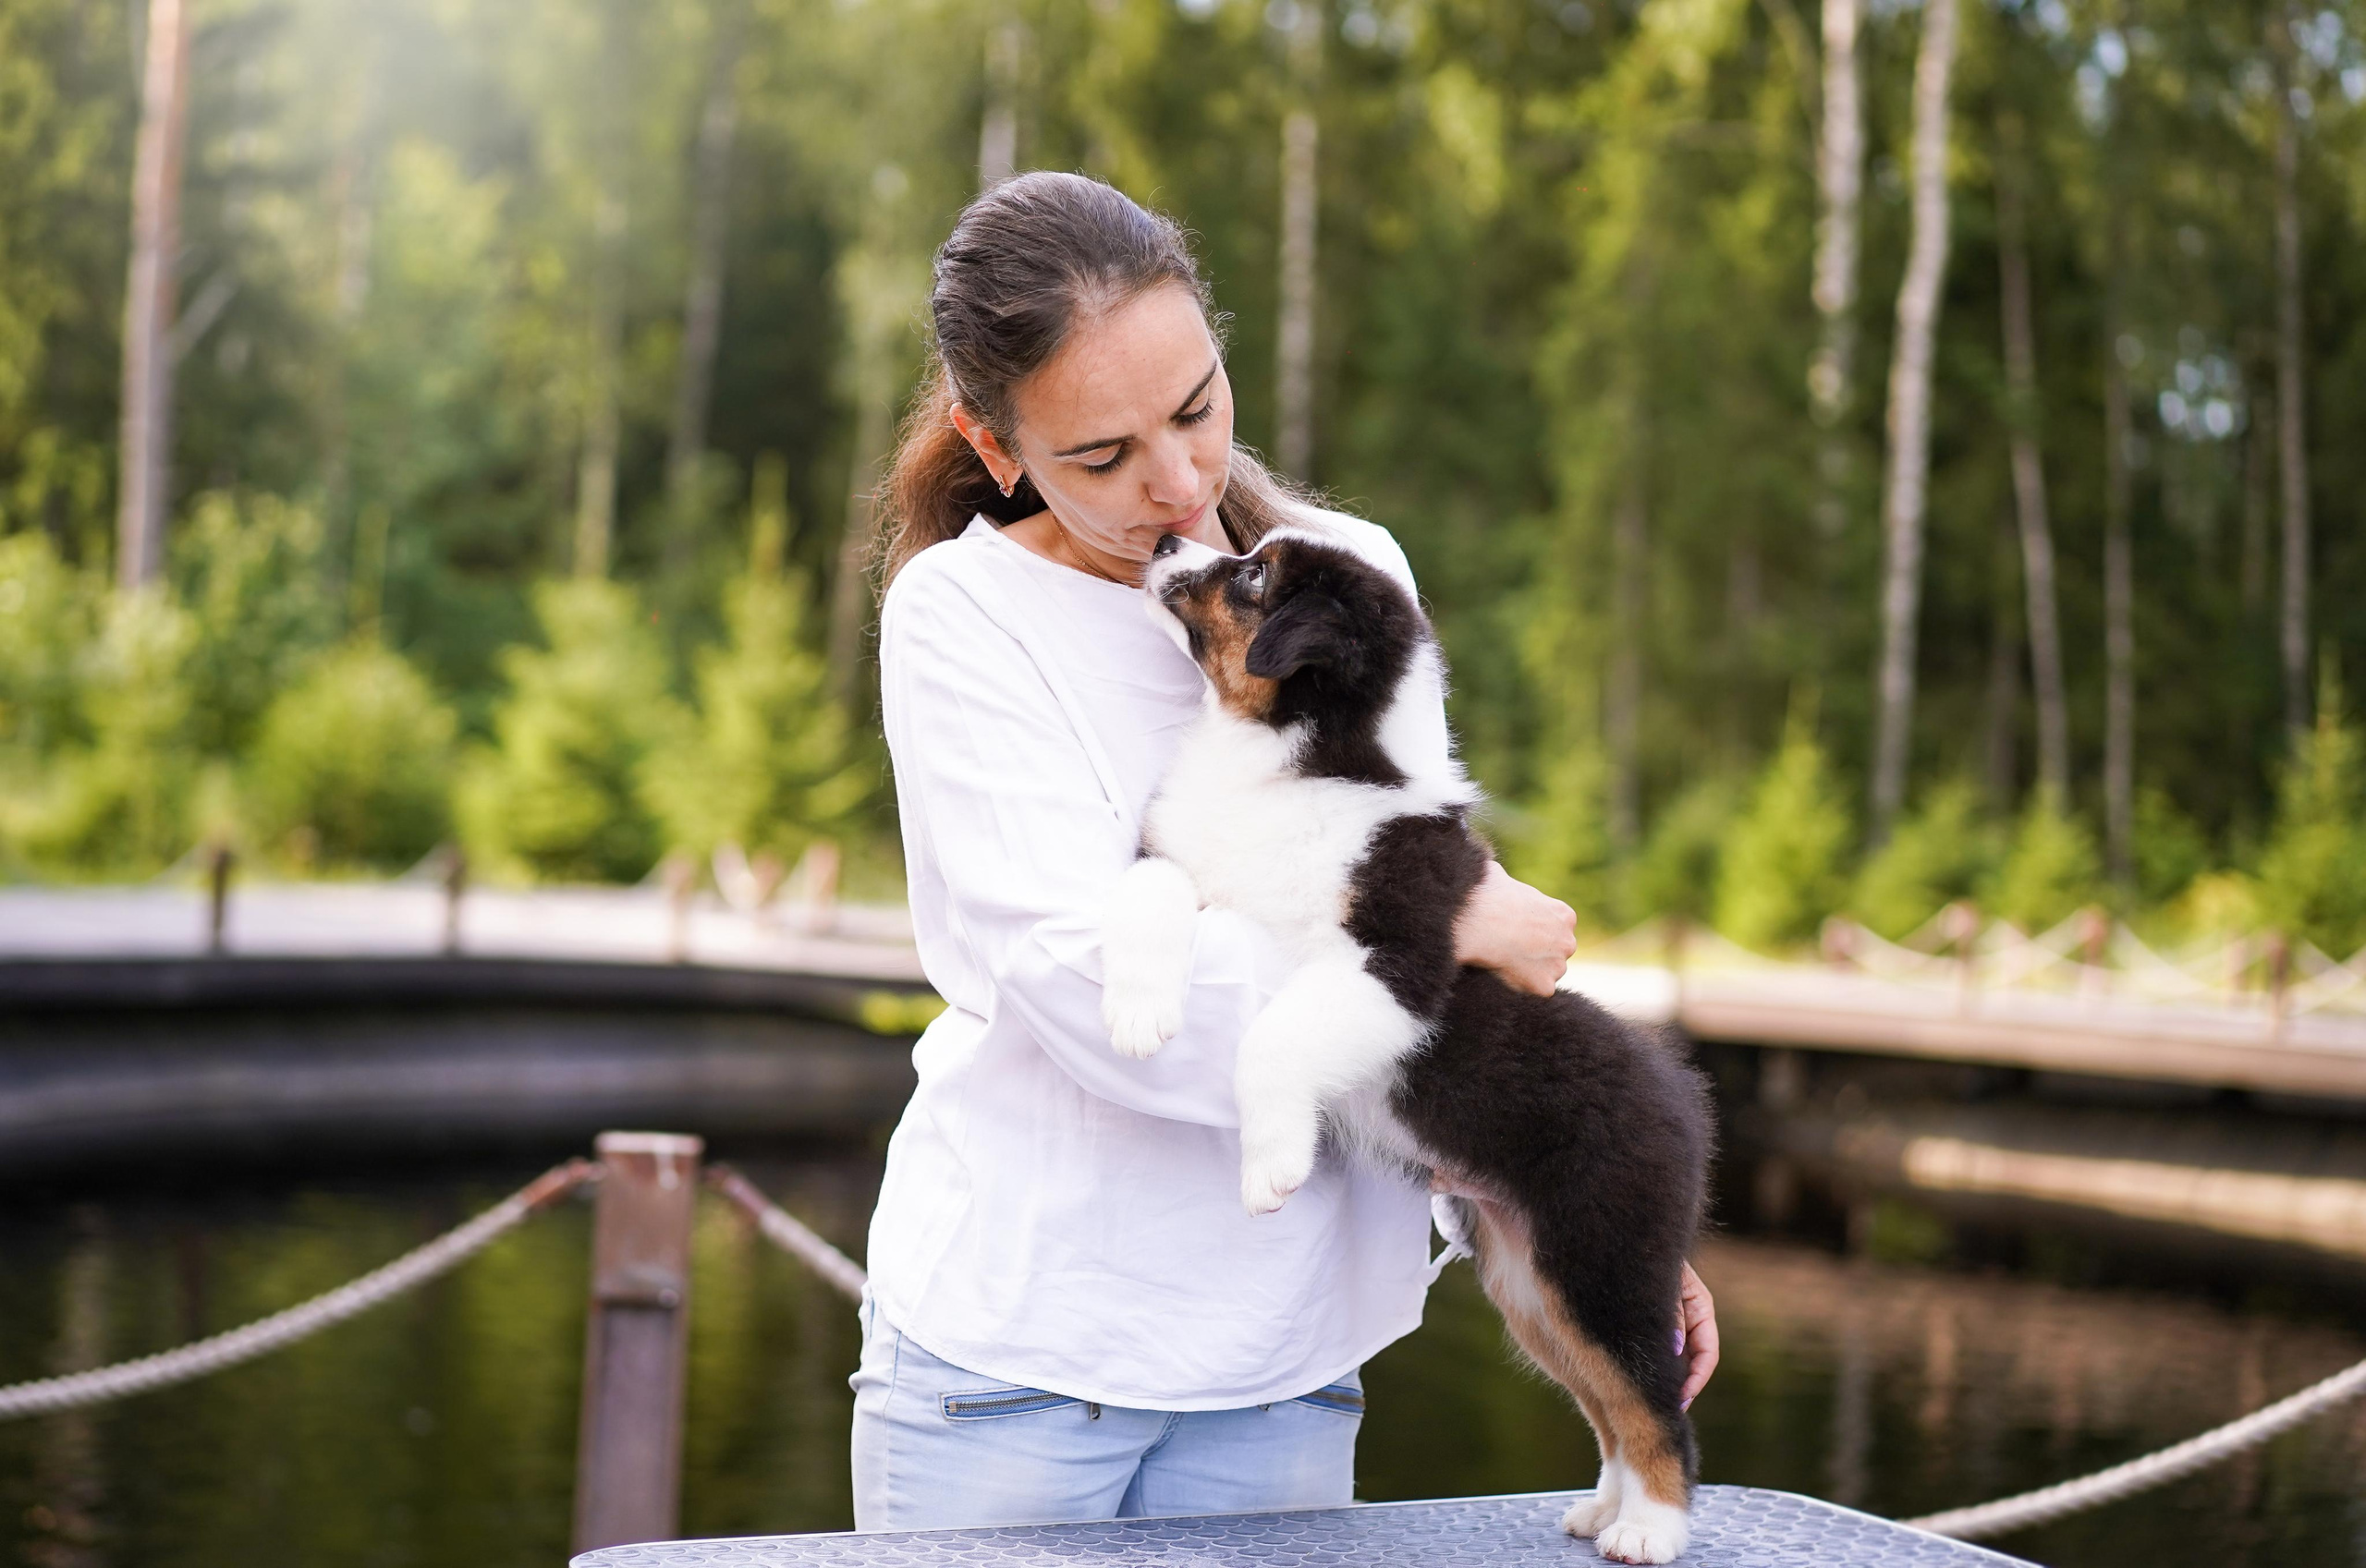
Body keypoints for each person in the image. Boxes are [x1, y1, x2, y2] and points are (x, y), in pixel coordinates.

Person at [852, 170, 1718, 1530]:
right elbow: (1091, 990)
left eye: (1198, 407)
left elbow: (1432, 985)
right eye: (1102, 456)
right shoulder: (964, 616)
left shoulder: (1355, 575)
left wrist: (1591, 1214)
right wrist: (1443, 932)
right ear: (995, 441)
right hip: (1020, 1372)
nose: (1181, 481)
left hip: (1290, 1369)